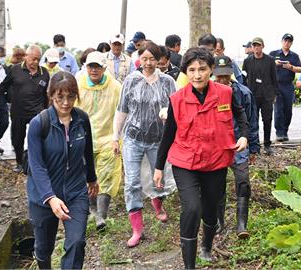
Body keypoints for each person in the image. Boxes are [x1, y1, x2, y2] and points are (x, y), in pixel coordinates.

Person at [153, 47, 248, 269]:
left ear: (211, 70)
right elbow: (168, 136)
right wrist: (158, 167)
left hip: (216, 160)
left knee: (210, 207)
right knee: (192, 208)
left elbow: (240, 114)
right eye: (192, 70)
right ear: (186, 72)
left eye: (203, 69)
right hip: (186, 161)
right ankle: (189, 265)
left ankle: (206, 245)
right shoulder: (177, 99)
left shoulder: (225, 93)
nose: (197, 75)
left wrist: (243, 135)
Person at [27, 71, 98, 270]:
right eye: (60, 98)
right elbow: (37, 166)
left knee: (76, 242)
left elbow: (88, 151)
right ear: (51, 96)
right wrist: (50, 197)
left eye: (71, 97)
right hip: (43, 196)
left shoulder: (82, 119)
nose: (66, 103)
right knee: (43, 247)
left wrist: (92, 179)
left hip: (75, 192)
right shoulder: (38, 124)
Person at [112, 41, 176, 248]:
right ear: (139, 59)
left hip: (158, 139)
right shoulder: (130, 81)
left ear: (159, 60)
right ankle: (137, 229)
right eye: (144, 59)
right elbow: (122, 110)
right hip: (133, 138)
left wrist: (169, 113)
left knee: (158, 178)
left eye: (152, 59)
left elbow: (177, 107)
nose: (148, 63)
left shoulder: (167, 82)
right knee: (132, 182)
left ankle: (158, 207)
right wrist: (115, 136)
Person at [213, 55, 259, 239]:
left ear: (231, 73)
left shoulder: (244, 93)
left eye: (225, 75)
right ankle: (218, 221)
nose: (222, 79)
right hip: (217, 146)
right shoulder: (208, 92)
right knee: (216, 184)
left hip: (239, 145)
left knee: (243, 181)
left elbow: (252, 120)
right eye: (219, 76)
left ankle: (242, 224)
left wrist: (253, 147)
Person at [76, 51, 122, 230]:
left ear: (104, 68)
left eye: (97, 66)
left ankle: (102, 214)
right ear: (86, 67)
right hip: (84, 137)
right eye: (90, 66)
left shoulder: (115, 87)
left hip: (107, 137)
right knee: (87, 173)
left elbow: (122, 112)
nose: (93, 70)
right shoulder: (79, 85)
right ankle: (91, 209)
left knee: (107, 173)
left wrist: (116, 137)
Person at [0, 45, 50, 172]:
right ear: (26, 56)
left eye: (38, 59)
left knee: (37, 138)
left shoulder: (44, 73)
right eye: (33, 59)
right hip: (19, 111)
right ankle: (19, 162)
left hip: (37, 112)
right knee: (18, 139)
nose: (36, 62)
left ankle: (36, 163)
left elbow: (46, 94)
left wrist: (46, 110)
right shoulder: (15, 70)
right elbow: (4, 85)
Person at [243, 37, 278, 155]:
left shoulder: (269, 60)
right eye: (254, 45)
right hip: (253, 95)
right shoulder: (248, 61)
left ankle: (267, 144)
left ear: (263, 46)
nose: (256, 48)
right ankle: (255, 145)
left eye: (258, 45)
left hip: (267, 95)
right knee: (253, 121)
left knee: (267, 120)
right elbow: (244, 77)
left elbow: (274, 77)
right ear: (252, 47)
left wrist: (275, 94)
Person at [269, 33, 301, 142]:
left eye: (289, 41)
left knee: (288, 110)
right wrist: (274, 63)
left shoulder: (294, 56)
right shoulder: (273, 54)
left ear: (291, 43)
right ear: (282, 41)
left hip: (288, 85)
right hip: (276, 85)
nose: (287, 43)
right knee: (278, 110)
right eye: (285, 40)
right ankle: (279, 133)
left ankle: (285, 131)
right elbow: (266, 64)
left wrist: (290, 67)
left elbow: (300, 69)